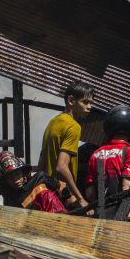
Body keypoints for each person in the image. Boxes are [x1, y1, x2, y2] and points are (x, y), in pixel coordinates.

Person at [38, 80, 94, 210]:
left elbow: (41, 160)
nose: (90, 107)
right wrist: (80, 199)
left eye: (91, 103)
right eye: (85, 102)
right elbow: (61, 166)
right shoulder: (73, 126)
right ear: (71, 101)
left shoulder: (53, 122)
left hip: (47, 191)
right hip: (60, 194)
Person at [85, 105, 130, 218]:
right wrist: (128, 213)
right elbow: (127, 184)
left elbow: (90, 192)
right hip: (118, 211)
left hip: (100, 212)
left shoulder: (96, 154)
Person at [0, 150, 70, 213]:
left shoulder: (40, 181)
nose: (16, 180)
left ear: (23, 173)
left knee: (45, 194)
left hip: (56, 220)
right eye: (10, 177)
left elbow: (63, 189)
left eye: (17, 174)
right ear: (5, 180)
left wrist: (70, 198)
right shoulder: (9, 197)